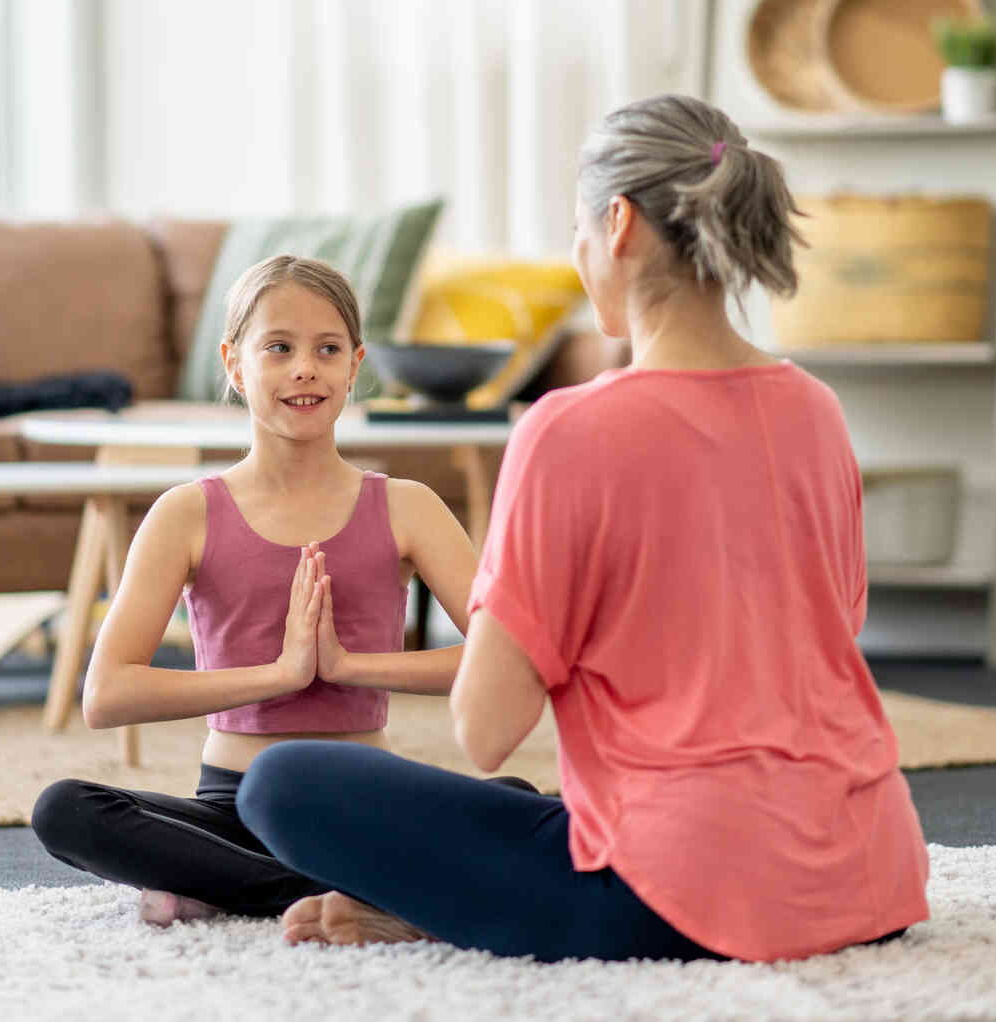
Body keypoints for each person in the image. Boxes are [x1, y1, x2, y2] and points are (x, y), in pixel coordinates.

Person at [236, 93, 931, 964]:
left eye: (576, 229)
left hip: (682, 901)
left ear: (619, 222)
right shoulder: (815, 410)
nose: (576, 254)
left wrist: (509, 589)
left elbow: (484, 731)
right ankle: (460, 900)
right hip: (869, 875)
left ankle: (446, 906)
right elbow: (828, 632)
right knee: (558, 818)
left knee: (284, 782)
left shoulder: (566, 431)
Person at [30, 254, 487, 926]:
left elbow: (506, 657)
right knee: (66, 809)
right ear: (234, 364)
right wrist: (278, 675)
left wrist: (349, 668)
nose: (305, 367)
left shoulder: (408, 506)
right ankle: (339, 898)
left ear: (355, 366)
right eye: (278, 347)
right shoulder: (185, 512)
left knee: (515, 799)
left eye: (326, 349)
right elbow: (107, 694)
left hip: (367, 800)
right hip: (234, 810)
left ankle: (231, 890)